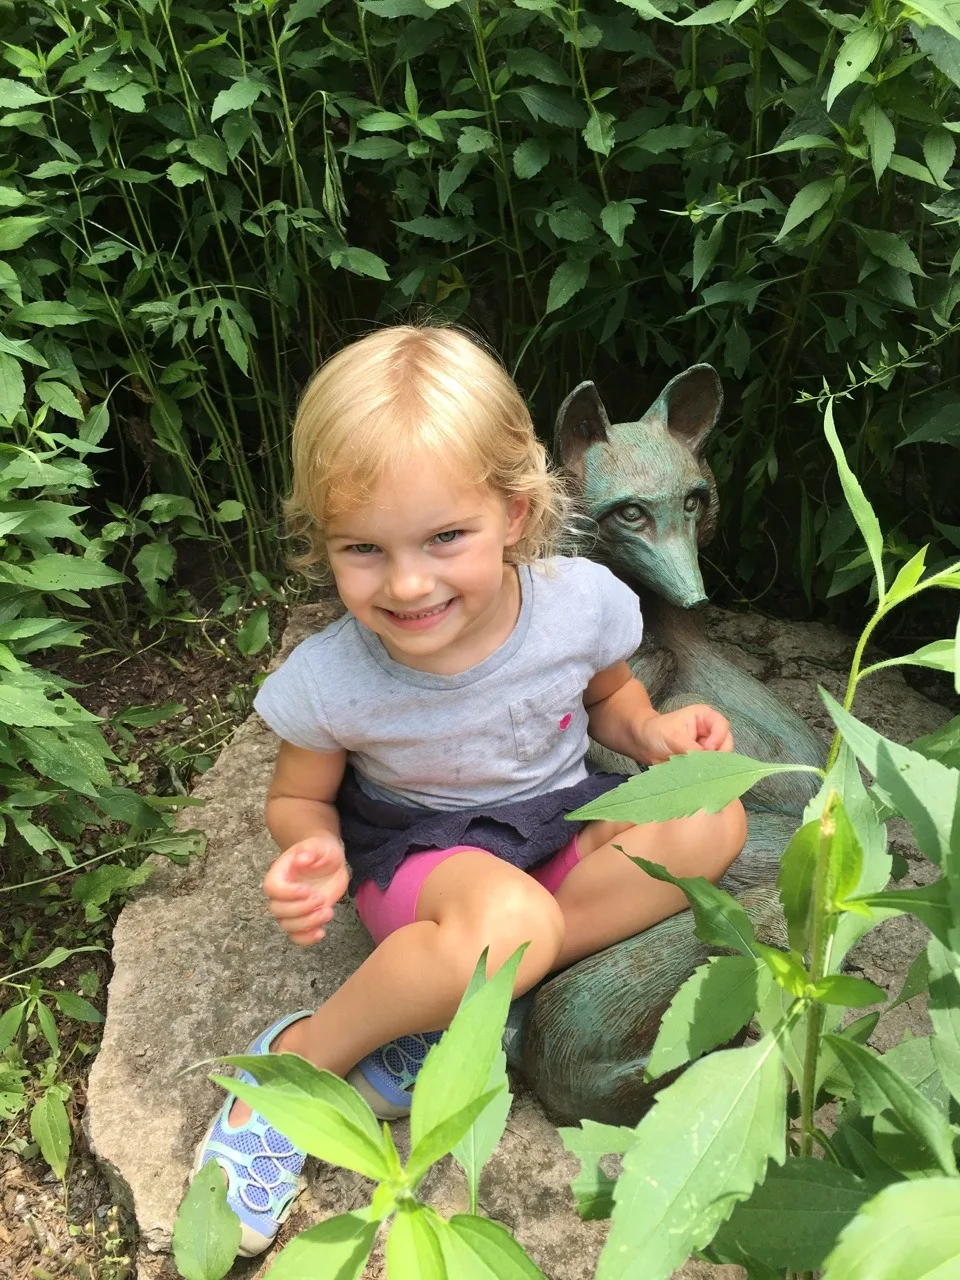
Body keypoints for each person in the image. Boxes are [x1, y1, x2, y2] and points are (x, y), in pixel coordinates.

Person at [193, 325, 747, 1255]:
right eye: (363, 548)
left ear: (519, 513)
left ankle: (473, 995)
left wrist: (651, 735)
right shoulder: (337, 678)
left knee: (711, 815)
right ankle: (295, 1071)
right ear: (322, 539)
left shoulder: (578, 604)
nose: (407, 583)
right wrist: (310, 848)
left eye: (446, 537)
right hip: (422, 858)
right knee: (511, 924)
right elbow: (297, 797)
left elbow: (609, 697)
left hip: (552, 828)